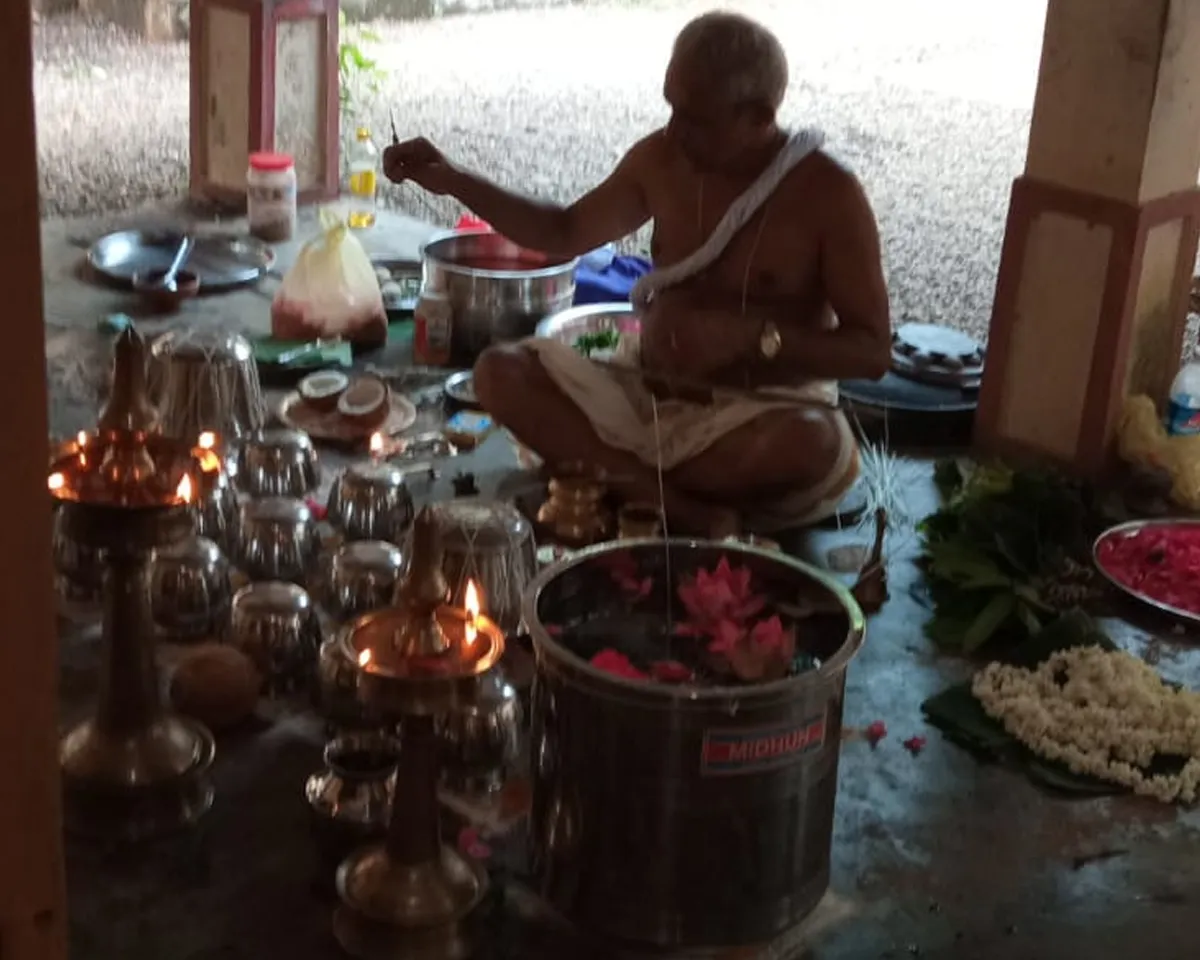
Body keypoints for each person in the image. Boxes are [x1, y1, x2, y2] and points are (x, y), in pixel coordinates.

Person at [383, 10, 891, 537]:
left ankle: (607, 472)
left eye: (696, 119)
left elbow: (874, 352)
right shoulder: (663, 159)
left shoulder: (828, 194)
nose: (674, 130)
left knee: (813, 443)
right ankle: (673, 502)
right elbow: (563, 231)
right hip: (645, 390)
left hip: (757, 411)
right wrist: (453, 179)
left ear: (759, 117)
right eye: (671, 107)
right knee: (498, 373)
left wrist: (752, 339)